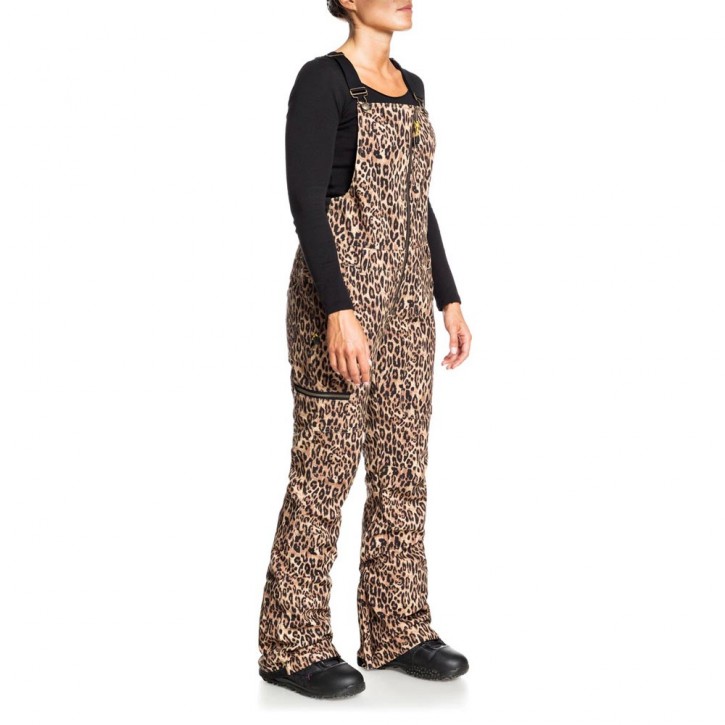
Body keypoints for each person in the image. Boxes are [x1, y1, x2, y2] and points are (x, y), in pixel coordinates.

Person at [257, 0, 472, 699]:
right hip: (340, 302)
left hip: (409, 306)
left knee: (403, 470)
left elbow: (416, 200)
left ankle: (396, 628)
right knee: (324, 474)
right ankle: (291, 646)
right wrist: (338, 309)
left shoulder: (412, 88)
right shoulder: (321, 82)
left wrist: (448, 297)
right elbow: (305, 201)